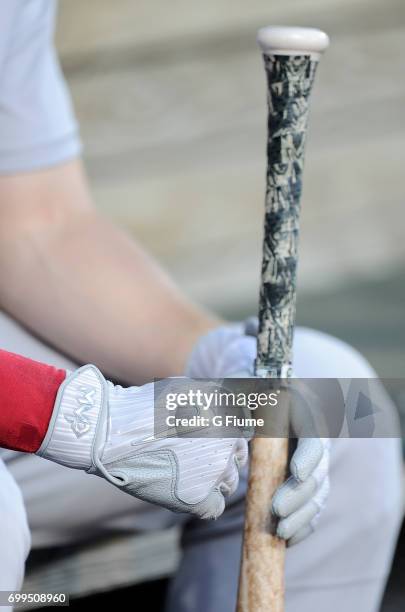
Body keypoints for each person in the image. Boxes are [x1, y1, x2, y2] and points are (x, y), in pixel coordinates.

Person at [0, 2, 401, 612]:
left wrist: (220, 355)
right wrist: (79, 418)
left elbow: (36, 223)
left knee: (337, 405)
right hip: (34, 406)